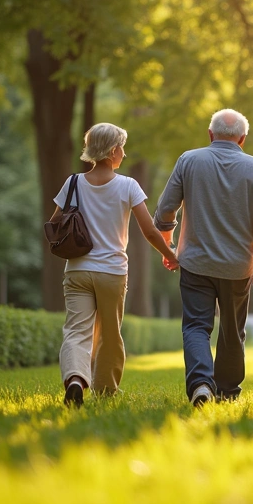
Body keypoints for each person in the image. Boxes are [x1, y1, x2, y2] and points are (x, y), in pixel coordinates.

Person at [153, 109, 253, 407]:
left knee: (196, 325)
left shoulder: (189, 160)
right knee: (233, 331)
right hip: (238, 267)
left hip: (196, 262)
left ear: (210, 134)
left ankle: (200, 384)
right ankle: (227, 390)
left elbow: (166, 209)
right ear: (243, 139)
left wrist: (169, 246)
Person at [49, 123, 178, 409]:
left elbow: (55, 223)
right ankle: (106, 391)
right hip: (112, 272)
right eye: (121, 147)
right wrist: (170, 253)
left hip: (78, 270)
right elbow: (149, 231)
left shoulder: (72, 183)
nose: (124, 153)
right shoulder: (128, 185)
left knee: (76, 330)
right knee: (109, 332)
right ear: (112, 151)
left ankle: (74, 379)